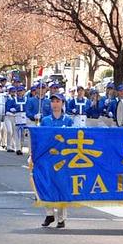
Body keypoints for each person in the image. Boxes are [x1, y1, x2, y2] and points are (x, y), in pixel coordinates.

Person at [41, 94, 74, 229]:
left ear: (62, 103)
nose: (55, 104)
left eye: (58, 101)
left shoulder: (68, 120)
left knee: (62, 186)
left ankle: (61, 218)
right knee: (46, 184)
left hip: (63, 157)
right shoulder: (45, 120)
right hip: (48, 157)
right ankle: (49, 213)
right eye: (53, 101)